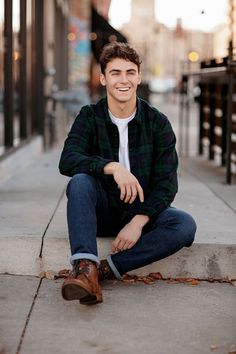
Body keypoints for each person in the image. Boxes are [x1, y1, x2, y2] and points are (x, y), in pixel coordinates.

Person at [59, 42, 196, 305]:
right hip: (100, 209)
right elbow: (68, 160)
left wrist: (138, 221)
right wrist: (112, 167)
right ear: (102, 78)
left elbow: (167, 184)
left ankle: (101, 271)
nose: (124, 80)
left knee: (184, 225)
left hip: (140, 209)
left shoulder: (157, 122)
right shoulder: (90, 116)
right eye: (115, 73)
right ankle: (84, 265)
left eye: (130, 72)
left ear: (139, 76)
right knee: (79, 182)